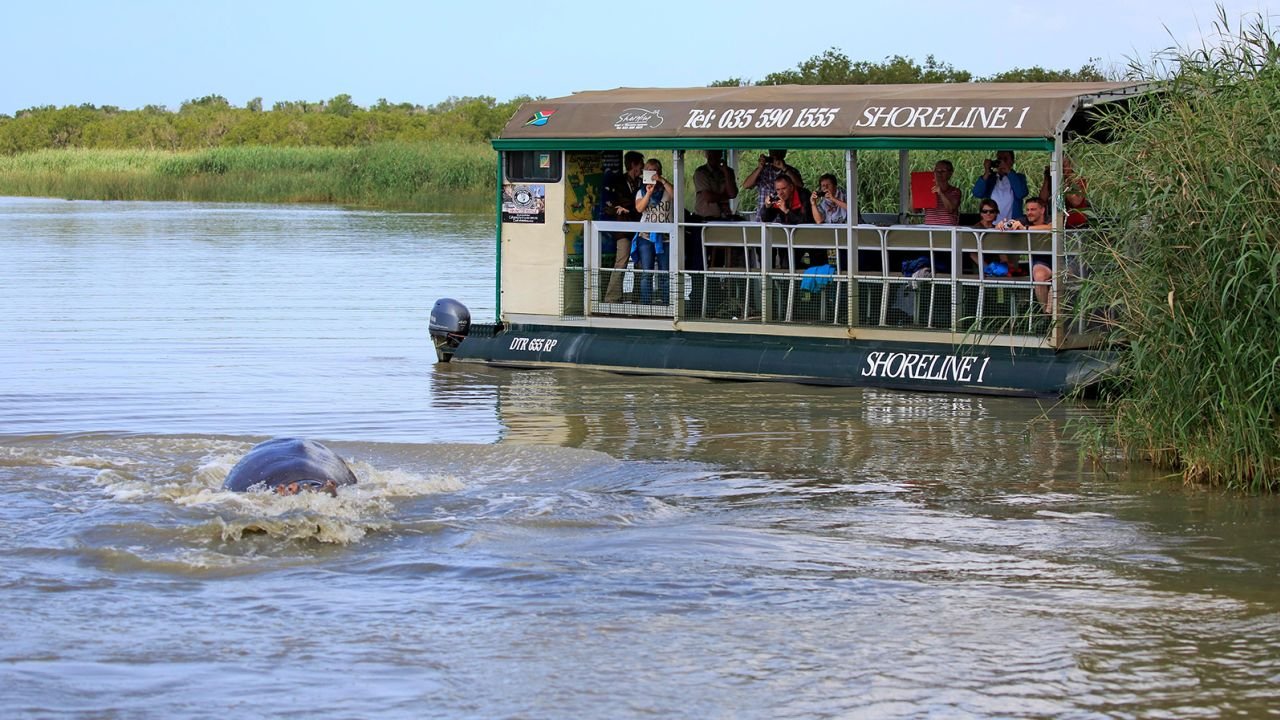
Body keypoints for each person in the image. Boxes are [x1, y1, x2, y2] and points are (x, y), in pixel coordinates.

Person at [602, 151, 645, 303]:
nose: (643, 168)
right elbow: (611, 205)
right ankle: (612, 298)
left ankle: (638, 298)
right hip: (623, 228)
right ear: (633, 165)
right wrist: (630, 207)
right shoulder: (618, 182)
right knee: (621, 261)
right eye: (641, 164)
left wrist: (629, 207)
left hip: (641, 227)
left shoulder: (643, 183)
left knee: (641, 262)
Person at [633, 158, 674, 305]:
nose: (650, 173)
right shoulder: (641, 192)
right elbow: (639, 208)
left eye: (653, 170)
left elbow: (676, 195)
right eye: (647, 170)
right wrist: (649, 193)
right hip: (646, 236)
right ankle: (646, 305)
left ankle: (666, 305)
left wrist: (661, 181)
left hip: (666, 237)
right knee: (646, 273)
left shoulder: (667, 190)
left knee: (665, 273)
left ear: (659, 172)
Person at [742, 149, 803, 220]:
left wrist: (784, 168)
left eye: (779, 151)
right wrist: (759, 168)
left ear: (784, 153)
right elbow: (746, 185)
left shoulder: (791, 171)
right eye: (773, 151)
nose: (776, 154)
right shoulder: (763, 171)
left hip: (784, 220)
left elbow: (800, 186)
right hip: (763, 219)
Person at [971, 150, 1028, 225]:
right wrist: (987, 172)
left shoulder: (1018, 177)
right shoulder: (990, 179)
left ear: (1012, 161)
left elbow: (1021, 193)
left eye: (1005, 159)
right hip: (991, 225)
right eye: (999, 159)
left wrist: (1008, 171)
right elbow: (977, 193)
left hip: (1012, 225)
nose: (1002, 162)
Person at [1039, 156, 1088, 228]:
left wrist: (1063, 182)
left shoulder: (1078, 180)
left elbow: (1076, 202)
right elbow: (1042, 199)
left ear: (1070, 166)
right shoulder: (1053, 180)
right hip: (1057, 223)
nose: (1061, 169)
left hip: (1076, 224)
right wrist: (1047, 176)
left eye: (1063, 166)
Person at [692, 150, 738, 219]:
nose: (714, 156)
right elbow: (708, 197)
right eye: (711, 153)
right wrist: (725, 196)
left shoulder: (728, 171)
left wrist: (726, 172)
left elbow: (732, 194)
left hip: (725, 216)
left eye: (717, 153)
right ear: (707, 155)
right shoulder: (701, 172)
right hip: (705, 217)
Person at [923, 159, 961, 225]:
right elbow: (915, 210)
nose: (939, 173)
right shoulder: (928, 191)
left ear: (950, 173)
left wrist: (940, 193)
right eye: (937, 171)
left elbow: (950, 209)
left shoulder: (955, 191)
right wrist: (913, 192)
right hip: (930, 230)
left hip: (948, 230)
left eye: (943, 171)